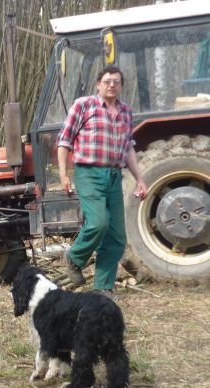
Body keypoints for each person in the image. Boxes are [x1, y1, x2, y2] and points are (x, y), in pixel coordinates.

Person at [57, 65, 147, 296]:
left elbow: (128, 148)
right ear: (98, 84)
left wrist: (140, 179)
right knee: (98, 223)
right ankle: (74, 258)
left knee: (117, 235)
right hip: (88, 173)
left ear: (121, 86)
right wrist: (63, 174)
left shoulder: (126, 112)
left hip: (114, 176)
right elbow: (64, 141)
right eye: (107, 81)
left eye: (116, 81)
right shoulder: (84, 105)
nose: (111, 85)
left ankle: (102, 288)